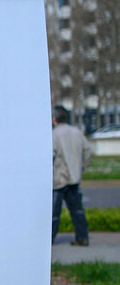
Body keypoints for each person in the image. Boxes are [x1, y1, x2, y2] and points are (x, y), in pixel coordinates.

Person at [52, 105, 91, 246]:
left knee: (54, 214)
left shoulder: (54, 134)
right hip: (74, 178)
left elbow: (51, 155)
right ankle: (82, 237)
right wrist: (81, 168)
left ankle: (49, 241)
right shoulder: (77, 132)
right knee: (77, 211)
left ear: (54, 119)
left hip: (58, 179)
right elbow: (87, 151)